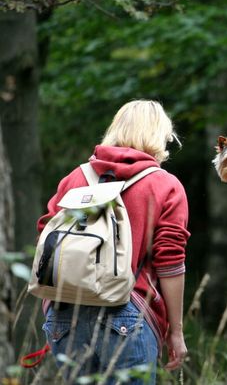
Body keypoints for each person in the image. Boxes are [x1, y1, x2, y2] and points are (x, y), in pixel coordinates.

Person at [38, 100, 190, 384]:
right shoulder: (165, 185)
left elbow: (46, 235)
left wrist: (49, 304)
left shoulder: (75, 178)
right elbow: (170, 261)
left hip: (64, 312)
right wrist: (176, 331)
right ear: (160, 134)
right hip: (126, 309)